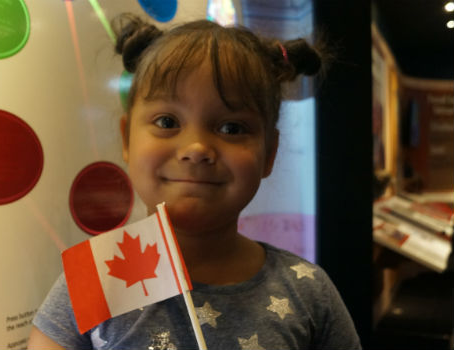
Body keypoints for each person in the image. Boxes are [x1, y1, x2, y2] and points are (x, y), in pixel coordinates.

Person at [28, 14, 361, 350]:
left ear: (269, 154)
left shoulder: (308, 292)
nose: (197, 148)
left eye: (231, 128)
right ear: (127, 140)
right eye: (167, 121)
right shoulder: (94, 281)